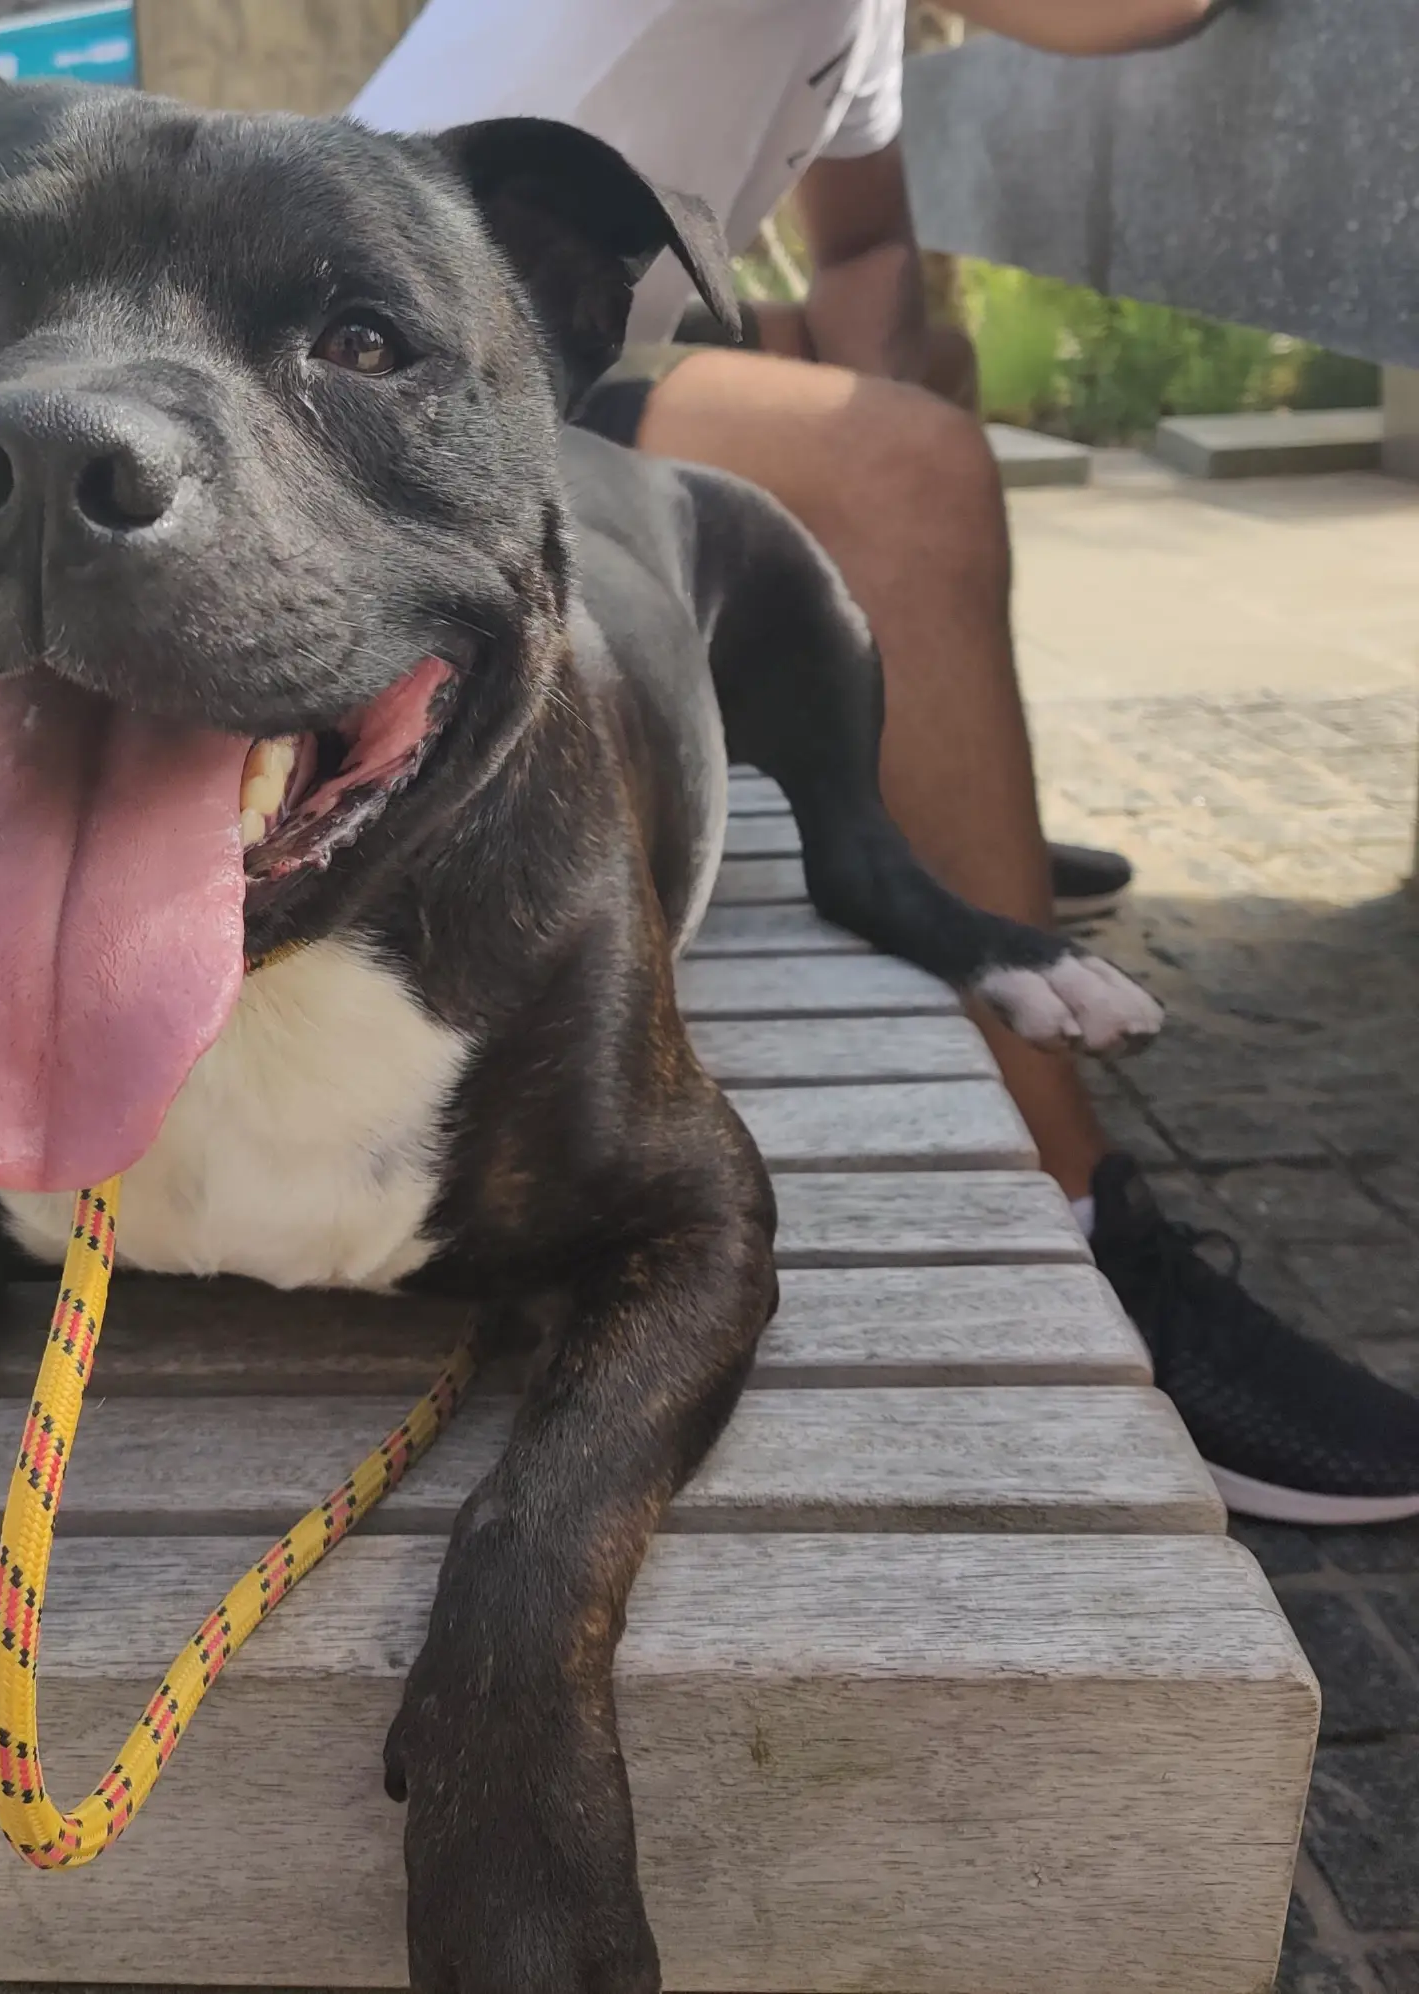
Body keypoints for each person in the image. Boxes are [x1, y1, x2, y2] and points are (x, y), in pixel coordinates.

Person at [352, 0, 1419, 1527]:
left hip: (551, 352)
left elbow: (865, 259)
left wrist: (889, 381)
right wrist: (886, 447)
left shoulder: (854, 31)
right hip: (414, 382)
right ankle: (1078, 1218)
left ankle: (959, 818)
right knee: (902, 465)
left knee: (915, 398)